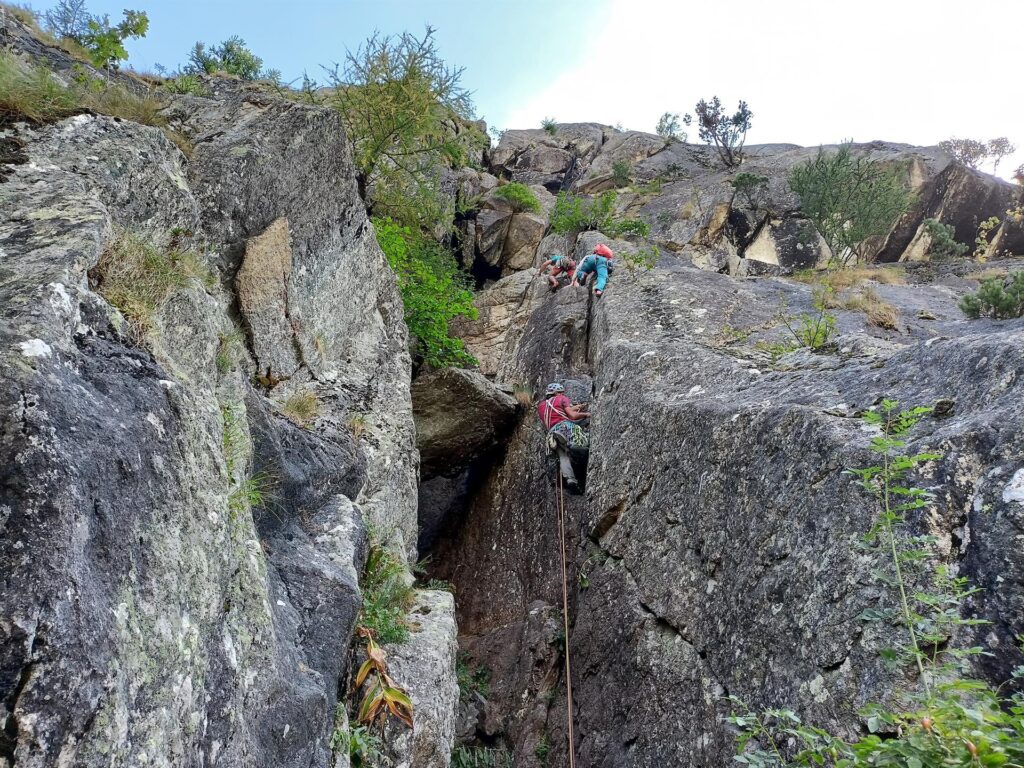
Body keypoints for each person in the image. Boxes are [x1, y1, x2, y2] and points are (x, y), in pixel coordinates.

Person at [537, 382, 590, 493]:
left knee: (563, 457)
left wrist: (577, 407)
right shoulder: (562, 398)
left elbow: (559, 411)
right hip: (565, 427)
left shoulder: (541, 406)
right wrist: (586, 414)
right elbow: (572, 416)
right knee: (578, 433)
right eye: (560, 392)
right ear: (556, 393)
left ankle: (571, 480)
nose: (562, 394)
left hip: (553, 434)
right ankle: (578, 447)